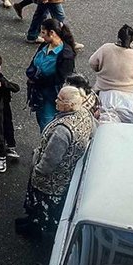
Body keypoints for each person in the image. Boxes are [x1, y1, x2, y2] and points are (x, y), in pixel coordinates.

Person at [15, 85, 96, 240]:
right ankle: (33, 223)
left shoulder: (62, 131)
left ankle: (35, 230)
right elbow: (94, 131)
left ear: (70, 105)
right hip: (65, 175)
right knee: (44, 206)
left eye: (60, 99)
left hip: (50, 180)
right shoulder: (85, 114)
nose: (55, 100)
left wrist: (38, 170)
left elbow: (50, 160)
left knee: (41, 205)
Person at [25, 18, 77, 130]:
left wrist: (38, 80)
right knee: (41, 119)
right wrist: (31, 72)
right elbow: (34, 61)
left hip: (53, 95)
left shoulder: (65, 54)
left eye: (43, 32)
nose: (41, 36)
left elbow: (62, 78)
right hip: (39, 93)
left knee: (48, 124)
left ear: (52, 33)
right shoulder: (45, 45)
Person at [88, 25, 133, 123]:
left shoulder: (106, 48)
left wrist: (100, 70)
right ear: (132, 41)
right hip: (129, 95)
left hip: (104, 91)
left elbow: (92, 62)